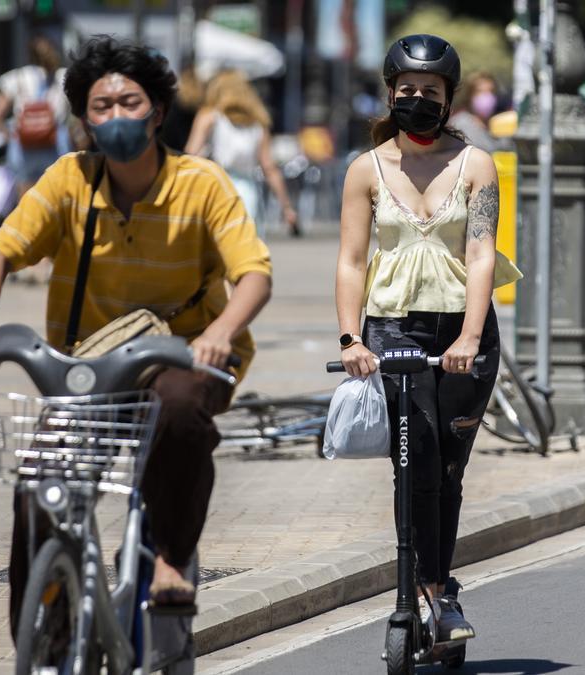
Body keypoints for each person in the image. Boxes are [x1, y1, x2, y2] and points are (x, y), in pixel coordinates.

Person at [0, 36, 272, 632]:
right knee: (41, 482)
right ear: (84, 119)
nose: (117, 116)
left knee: (178, 412)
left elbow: (253, 273)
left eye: (131, 102)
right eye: (102, 106)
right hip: (90, 366)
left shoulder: (201, 183)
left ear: (156, 111)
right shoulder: (69, 180)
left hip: (187, 356)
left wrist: (222, 332)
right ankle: (39, 623)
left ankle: (173, 561)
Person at [336, 33, 521, 642]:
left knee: (447, 467)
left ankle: (440, 588)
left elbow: (480, 252)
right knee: (413, 463)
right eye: (408, 90)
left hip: (462, 334)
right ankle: (431, 596)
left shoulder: (476, 165)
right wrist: (350, 340)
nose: (419, 100)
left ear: (449, 99)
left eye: (431, 92)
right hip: (392, 329)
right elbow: (352, 261)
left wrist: (471, 335)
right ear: (391, 94)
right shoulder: (365, 169)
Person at [185, 70, 298, 237]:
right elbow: (269, 168)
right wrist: (287, 207)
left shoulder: (209, 117)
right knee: (247, 250)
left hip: (215, 187)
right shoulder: (258, 125)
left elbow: (190, 156)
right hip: (247, 192)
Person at [0, 36, 71, 194]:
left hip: (23, 143)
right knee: (57, 193)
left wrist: (9, 135)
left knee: (26, 195)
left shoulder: (17, 77)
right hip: (55, 140)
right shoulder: (63, 77)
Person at [448, 71, 504, 152]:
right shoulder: (459, 125)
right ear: (469, 95)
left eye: (491, 91)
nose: (487, 96)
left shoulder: (500, 124)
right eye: (480, 91)